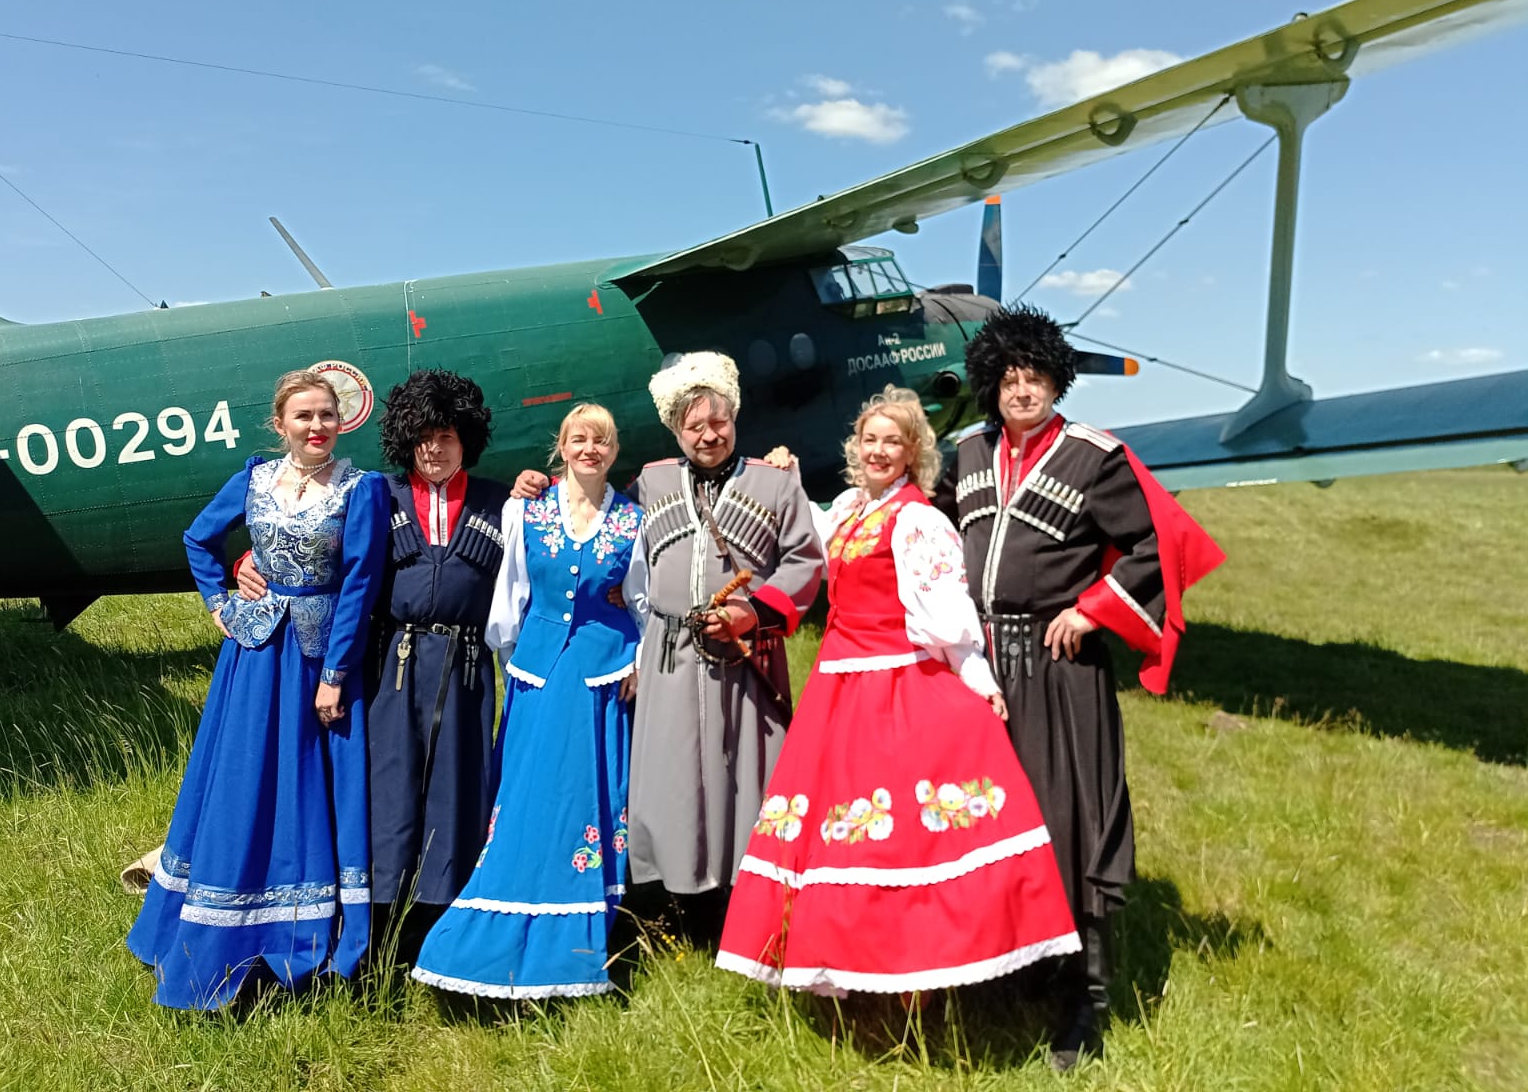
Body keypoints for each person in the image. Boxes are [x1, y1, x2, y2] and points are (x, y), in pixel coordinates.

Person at [715, 388, 1080, 997]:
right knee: (836, 828)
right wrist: (790, 477)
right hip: (837, 687)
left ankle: (913, 965)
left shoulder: (917, 520)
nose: (879, 451)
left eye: (892, 441)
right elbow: (815, 536)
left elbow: (946, 611)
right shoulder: (853, 507)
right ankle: (845, 961)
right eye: (870, 439)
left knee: (898, 832)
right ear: (856, 446)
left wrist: (976, 676)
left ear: (913, 453)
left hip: (892, 685)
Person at [934, 305, 1224, 1069]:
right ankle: (1005, 968)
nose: (1021, 390)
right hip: (978, 668)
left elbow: (1156, 543)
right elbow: (921, 532)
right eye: (1008, 378)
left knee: (1067, 822)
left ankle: (1083, 998)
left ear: (1056, 382)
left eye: (1034, 377)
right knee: (984, 819)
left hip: (1056, 669)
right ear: (990, 385)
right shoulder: (966, 455)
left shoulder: (1095, 458)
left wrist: (1093, 609)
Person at [513, 352, 825, 935]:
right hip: (668, 652)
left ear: (734, 418)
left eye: (718, 422)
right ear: (676, 430)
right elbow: (595, 507)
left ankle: (750, 894)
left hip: (743, 654)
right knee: (672, 772)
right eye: (693, 426)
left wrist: (751, 613)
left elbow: (805, 561)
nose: (708, 436)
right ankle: (680, 900)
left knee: (746, 772)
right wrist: (540, 486)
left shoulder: (775, 482)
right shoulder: (653, 481)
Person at [126, 369, 390, 1009]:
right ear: (281, 424)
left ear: (341, 421)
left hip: (320, 661)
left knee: (309, 785)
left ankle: (307, 932)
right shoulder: (253, 479)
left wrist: (336, 674)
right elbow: (198, 538)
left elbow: (360, 584)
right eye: (304, 415)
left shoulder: (361, 488)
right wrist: (220, 600)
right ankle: (221, 917)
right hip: (254, 655)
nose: (317, 426)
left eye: (327, 414)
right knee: (244, 777)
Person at [235, 370, 508, 958]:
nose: (434, 450)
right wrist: (249, 562)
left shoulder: (502, 502)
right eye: (423, 438)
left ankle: (443, 926)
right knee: (387, 791)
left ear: (467, 439)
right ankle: (379, 927)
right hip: (391, 664)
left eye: (447, 436)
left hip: (466, 667)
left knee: (458, 792)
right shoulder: (379, 495)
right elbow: (320, 544)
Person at [412, 403, 647, 998]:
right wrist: (519, 660)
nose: (590, 449)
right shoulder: (525, 510)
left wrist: (639, 660)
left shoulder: (633, 520)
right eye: (578, 438)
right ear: (561, 447)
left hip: (602, 677)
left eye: (601, 440)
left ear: (614, 450)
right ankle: (491, 925)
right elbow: (510, 595)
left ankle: (587, 936)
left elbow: (642, 600)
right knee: (527, 794)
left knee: (590, 797)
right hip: (538, 674)